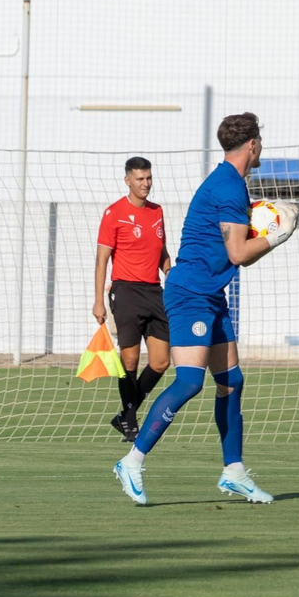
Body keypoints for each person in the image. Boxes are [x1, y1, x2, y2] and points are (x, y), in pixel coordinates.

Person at [111, 113, 297, 506]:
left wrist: (262, 232)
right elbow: (239, 253)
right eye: (260, 140)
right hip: (190, 293)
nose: (261, 146)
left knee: (232, 382)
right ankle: (132, 461)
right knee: (190, 382)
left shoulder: (232, 185)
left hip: (211, 295)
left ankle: (234, 472)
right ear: (252, 145)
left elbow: (235, 251)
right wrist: (277, 236)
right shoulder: (228, 186)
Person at [93, 156, 171, 441]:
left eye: (148, 178)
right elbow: (102, 260)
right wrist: (98, 301)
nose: (146, 184)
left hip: (154, 292)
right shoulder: (114, 213)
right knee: (130, 359)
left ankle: (125, 413)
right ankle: (130, 420)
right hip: (125, 291)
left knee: (162, 361)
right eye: (140, 179)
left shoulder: (157, 211)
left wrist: (169, 272)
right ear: (128, 180)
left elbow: (161, 249)